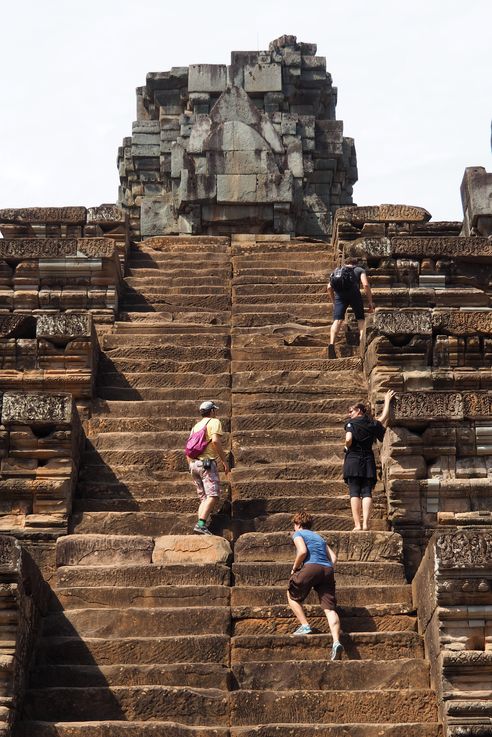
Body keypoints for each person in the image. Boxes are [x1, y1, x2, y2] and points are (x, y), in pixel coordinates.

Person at [287, 511, 344, 661]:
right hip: (327, 569)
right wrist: (325, 569)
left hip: (311, 567)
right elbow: (334, 558)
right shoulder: (319, 537)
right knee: (329, 608)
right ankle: (336, 642)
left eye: (294, 525)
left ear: (298, 524)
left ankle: (305, 625)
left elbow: (302, 551)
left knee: (291, 593)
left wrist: (294, 568)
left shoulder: (298, 534)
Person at [343, 389, 395, 531]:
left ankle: (357, 525)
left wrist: (347, 446)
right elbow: (383, 419)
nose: (349, 414)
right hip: (368, 460)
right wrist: (387, 401)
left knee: (354, 492)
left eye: (351, 411)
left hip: (353, 459)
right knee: (366, 492)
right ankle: (366, 523)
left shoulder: (350, 424)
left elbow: (348, 439)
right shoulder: (370, 422)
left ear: (359, 411)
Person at [187, 400, 230, 535]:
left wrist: (190, 465)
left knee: (204, 498)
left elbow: (188, 449)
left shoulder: (196, 426)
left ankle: (200, 527)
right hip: (206, 464)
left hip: (194, 464)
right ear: (212, 411)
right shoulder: (214, 422)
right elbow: (216, 441)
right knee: (213, 496)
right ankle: (201, 524)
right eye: (214, 410)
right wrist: (224, 461)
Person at [327, 258, 374, 359]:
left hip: (340, 295)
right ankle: (362, 345)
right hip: (354, 295)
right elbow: (365, 285)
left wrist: (334, 302)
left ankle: (331, 344)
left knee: (337, 320)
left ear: (345, 263)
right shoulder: (359, 270)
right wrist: (370, 302)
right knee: (360, 319)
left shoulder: (337, 271)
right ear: (355, 264)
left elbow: (329, 287)